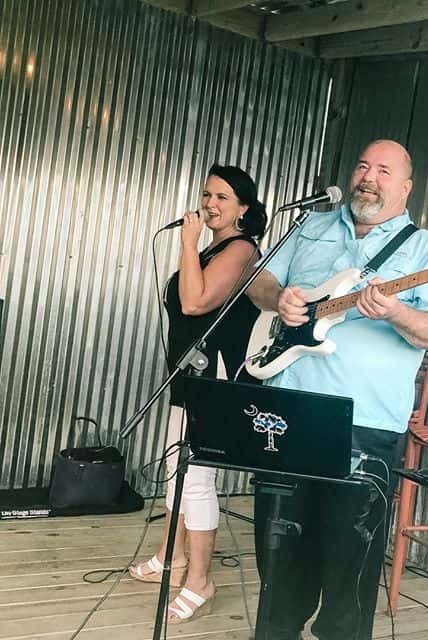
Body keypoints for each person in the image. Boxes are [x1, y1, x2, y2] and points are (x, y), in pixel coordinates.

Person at [246, 139, 428, 640]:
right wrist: (278, 297)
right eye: (364, 165)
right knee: (278, 556)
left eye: (384, 170)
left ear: (405, 187)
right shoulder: (311, 226)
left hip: (364, 426)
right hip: (288, 413)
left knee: (351, 563)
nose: (369, 176)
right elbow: (257, 280)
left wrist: (396, 311)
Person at [129, 164, 266, 623]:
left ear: (243, 208)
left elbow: (195, 301)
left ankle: (201, 579)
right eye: (207, 194)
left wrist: (187, 246)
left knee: (198, 478)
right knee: (176, 468)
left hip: (218, 378)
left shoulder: (241, 249)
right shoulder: (211, 247)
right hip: (189, 374)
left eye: (223, 197)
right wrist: (194, 248)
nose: (210, 204)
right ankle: (172, 556)